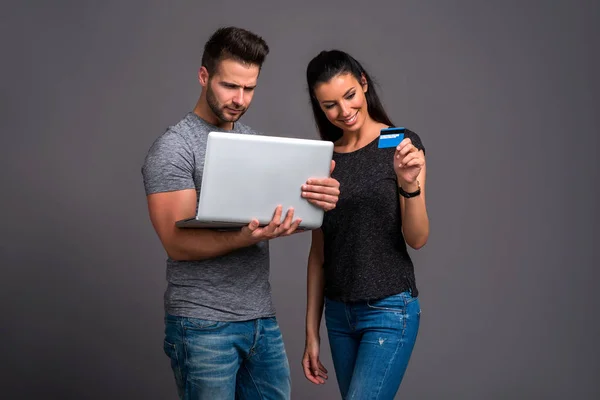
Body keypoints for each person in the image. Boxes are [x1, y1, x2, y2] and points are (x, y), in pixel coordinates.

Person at [141, 27, 340, 400]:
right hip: (202, 324)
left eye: (249, 88)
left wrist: (316, 201)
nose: (240, 99)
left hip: (261, 321)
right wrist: (248, 236)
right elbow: (177, 243)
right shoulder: (173, 149)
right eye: (230, 86)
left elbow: (271, 219)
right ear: (204, 77)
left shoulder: (253, 142)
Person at [301, 49, 430, 399]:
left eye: (349, 96)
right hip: (339, 317)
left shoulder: (402, 145)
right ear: (319, 106)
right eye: (330, 105)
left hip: (389, 308)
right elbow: (318, 254)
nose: (344, 111)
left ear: (363, 84)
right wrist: (311, 332)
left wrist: (408, 184)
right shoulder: (322, 160)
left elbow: (417, 238)